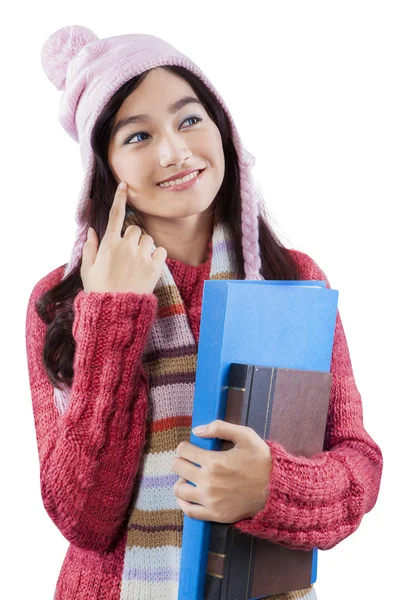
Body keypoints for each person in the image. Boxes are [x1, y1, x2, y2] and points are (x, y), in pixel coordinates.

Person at [25, 25, 383, 600]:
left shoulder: (291, 278)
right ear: (104, 168)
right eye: (137, 136)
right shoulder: (63, 301)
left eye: (189, 119)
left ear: (223, 131)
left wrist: (271, 486)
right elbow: (82, 517)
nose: (174, 151)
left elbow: (357, 467)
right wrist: (112, 313)